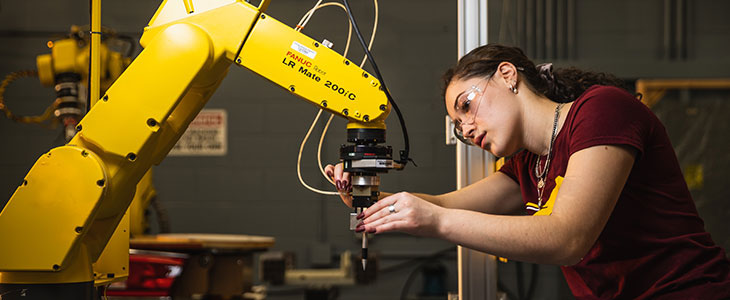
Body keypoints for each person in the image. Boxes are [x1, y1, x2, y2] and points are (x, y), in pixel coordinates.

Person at [325, 44, 730, 299]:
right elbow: (442, 205)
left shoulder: (602, 109)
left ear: (507, 75)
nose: (465, 127)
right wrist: (367, 199)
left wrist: (436, 221)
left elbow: (567, 238)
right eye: (457, 125)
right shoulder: (527, 164)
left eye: (466, 106)